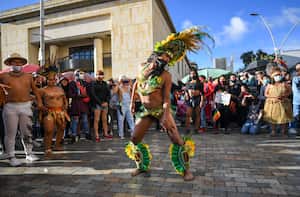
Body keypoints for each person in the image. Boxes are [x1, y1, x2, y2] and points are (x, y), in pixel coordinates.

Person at [125, 27, 213, 181]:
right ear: (156, 54)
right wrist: (132, 101)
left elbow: (166, 98)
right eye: (165, 56)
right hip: (145, 111)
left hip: (160, 110)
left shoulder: (166, 75)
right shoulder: (141, 67)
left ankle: (186, 171)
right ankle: (141, 166)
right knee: (134, 139)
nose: (166, 60)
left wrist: (165, 115)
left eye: (168, 59)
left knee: (176, 139)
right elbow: (135, 84)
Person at [0, 53, 40, 166]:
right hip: (10, 107)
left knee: (27, 132)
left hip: (26, 106)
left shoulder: (28, 76)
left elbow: (35, 90)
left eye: (19, 62)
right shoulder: (4, 76)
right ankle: (11, 156)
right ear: (9, 63)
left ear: (22, 64)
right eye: (14, 62)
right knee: (10, 133)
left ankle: (29, 153)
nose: (17, 64)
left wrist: (40, 102)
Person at [38, 67, 70, 158]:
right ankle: (48, 148)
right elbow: (37, 100)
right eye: (49, 79)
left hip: (60, 111)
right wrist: (42, 108)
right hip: (49, 111)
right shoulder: (42, 90)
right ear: (46, 80)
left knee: (62, 127)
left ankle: (57, 145)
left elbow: (64, 98)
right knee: (49, 130)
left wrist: (66, 105)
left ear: (55, 80)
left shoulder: (60, 89)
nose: (51, 81)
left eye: (53, 80)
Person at [264, 67, 293, 136]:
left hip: (283, 102)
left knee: (283, 117)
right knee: (272, 118)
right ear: (273, 77)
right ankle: (273, 131)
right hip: (272, 103)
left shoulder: (285, 84)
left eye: (279, 75)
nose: (278, 76)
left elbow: (290, 92)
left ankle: (283, 131)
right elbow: (266, 94)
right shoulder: (270, 85)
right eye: (276, 75)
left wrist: (284, 95)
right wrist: (273, 97)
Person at [90, 70, 111, 142]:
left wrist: (107, 102)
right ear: (95, 75)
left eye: (101, 75)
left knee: (105, 119)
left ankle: (106, 133)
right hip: (97, 104)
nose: (100, 76)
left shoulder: (105, 83)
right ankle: (97, 135)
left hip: (105, 103)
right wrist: (100, 103)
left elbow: (108, 93)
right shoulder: (93, 83)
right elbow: (93, 95)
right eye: (98, 75)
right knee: (97, 120)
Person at [185, 69, 204, 133]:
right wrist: (187, 95)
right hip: (189, 100)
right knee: (188, 114)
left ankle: (196, 129)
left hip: (197, 99)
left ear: (196, 74)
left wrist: (201, 101)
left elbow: (202, 93)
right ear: (190, 75)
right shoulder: (187, 83)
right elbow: (186, 91)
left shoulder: (200, 83)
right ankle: (187, 128)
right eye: (191, 74)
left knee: (197, 114)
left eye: (194, 73)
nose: (192, 75)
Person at [290, 62, 300, 134]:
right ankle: (295, 130)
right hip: (297, 101)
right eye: (297, 69)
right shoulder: (295, 79)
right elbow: (295, 91)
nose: (298, 71)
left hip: (297, 100)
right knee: (296, 116)